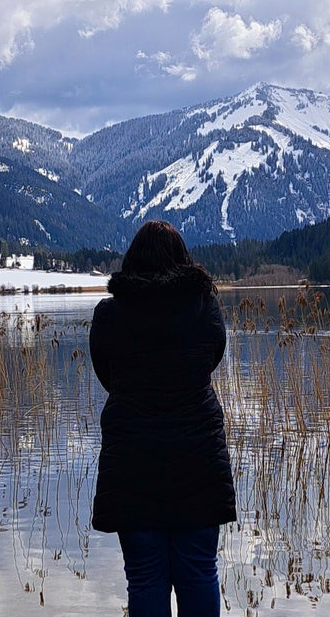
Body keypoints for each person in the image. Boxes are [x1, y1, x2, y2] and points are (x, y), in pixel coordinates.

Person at [89, 220, 236, 617]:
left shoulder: (109, 315)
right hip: (199, 460)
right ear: (182, 259)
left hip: (133, 461)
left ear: (132, 260)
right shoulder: (205, 308)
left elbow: (108, 376)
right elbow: (212, 359)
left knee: (145, 577)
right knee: (199, 572)